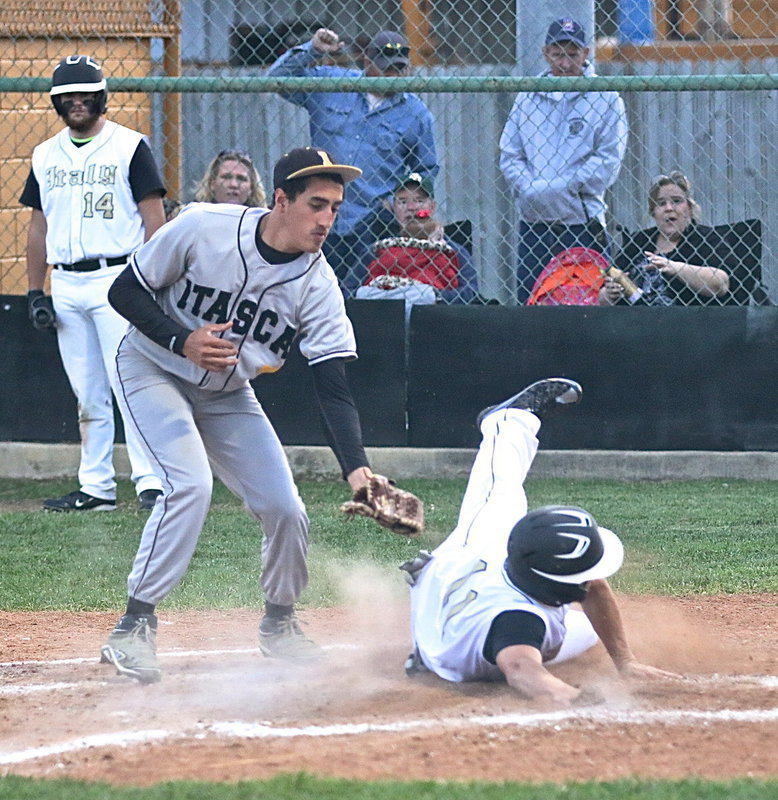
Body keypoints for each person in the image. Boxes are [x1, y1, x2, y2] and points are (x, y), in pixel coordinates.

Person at [99, 147, 389, 684]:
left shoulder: (318, 285)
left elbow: (334, 388)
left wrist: (358, 471)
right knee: (189, 485)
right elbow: (124, 290)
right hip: (152, 367)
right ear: (281, 200)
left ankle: (279, 624)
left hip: (228, 394)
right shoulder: (205, 226)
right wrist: (181, 339)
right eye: (316, 205)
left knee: (285, 507)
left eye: (335, 208)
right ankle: (133, 627)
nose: (327, 220)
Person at [403, 378, 680, 706]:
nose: (591, 578)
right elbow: (522, 669)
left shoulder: (517, 554)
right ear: (553, 585)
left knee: (500, 492)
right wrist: (573, 697)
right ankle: (507, 420)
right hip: (445, 643)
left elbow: (593, 587)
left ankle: (510, 420)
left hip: (455, 566)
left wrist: (626, 663)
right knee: (568, 636)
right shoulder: (518, 622)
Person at [20, 54, 165, 513]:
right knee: (87, 391)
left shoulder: (129, 145)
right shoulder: (45, 155)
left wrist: (151, 282)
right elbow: (38, 228)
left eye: (86, 94)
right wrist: (34, 290)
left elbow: (154, 221)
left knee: (131, 383)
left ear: (103, 97)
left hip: (119, 277)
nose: (77, 101)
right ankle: (96, 486)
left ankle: (152, 482)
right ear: (56, 102)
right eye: (68, 96)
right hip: (66, 281)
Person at [267, 28, 439, 297]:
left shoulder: (416, 114)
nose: (393, 76)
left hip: (373, 222)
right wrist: (312, 48)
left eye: (399, 69)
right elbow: (277, 79)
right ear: (367, 63)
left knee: (360, 296)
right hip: (319, 212)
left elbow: (426, 169)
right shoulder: (332, 85)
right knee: (305, 292)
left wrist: (401, 202)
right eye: (386, 68)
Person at [499, 19, 628, 304]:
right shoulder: (528, 95)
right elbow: (510, 154)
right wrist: (530, 188)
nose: (565, 63)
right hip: (535, 225)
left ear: (585, 54)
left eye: (572, 54)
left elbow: (608, 159)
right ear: (545, 54)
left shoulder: (606, 97)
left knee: (589, 305)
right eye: (558, 54)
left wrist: (566, 188)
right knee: (532, 304)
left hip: (581, 223)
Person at [599, 171, 731, 306]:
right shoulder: (639, 240)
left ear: (689, 208)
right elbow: (603, 294)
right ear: (653, 212)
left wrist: (674, 267)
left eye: (677, 201)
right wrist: (609, 293)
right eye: (661, 203)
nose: (669, 208)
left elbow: (721, 284)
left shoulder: (706, 238)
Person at [355, 172, 478, 315]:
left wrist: (433, 296)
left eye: (419, 201)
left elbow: (471, 291)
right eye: (403, 201)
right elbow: (349, 290)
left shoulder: (452, 250)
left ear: (432, 206)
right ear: (393, 208)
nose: (412, 207)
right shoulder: (379, 249)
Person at [193, 149, 267, 206]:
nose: (233, 184)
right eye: (226, 177)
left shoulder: (261, 221)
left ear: (251, 187)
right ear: (212, 183)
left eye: (241, 179)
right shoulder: (195, 216)